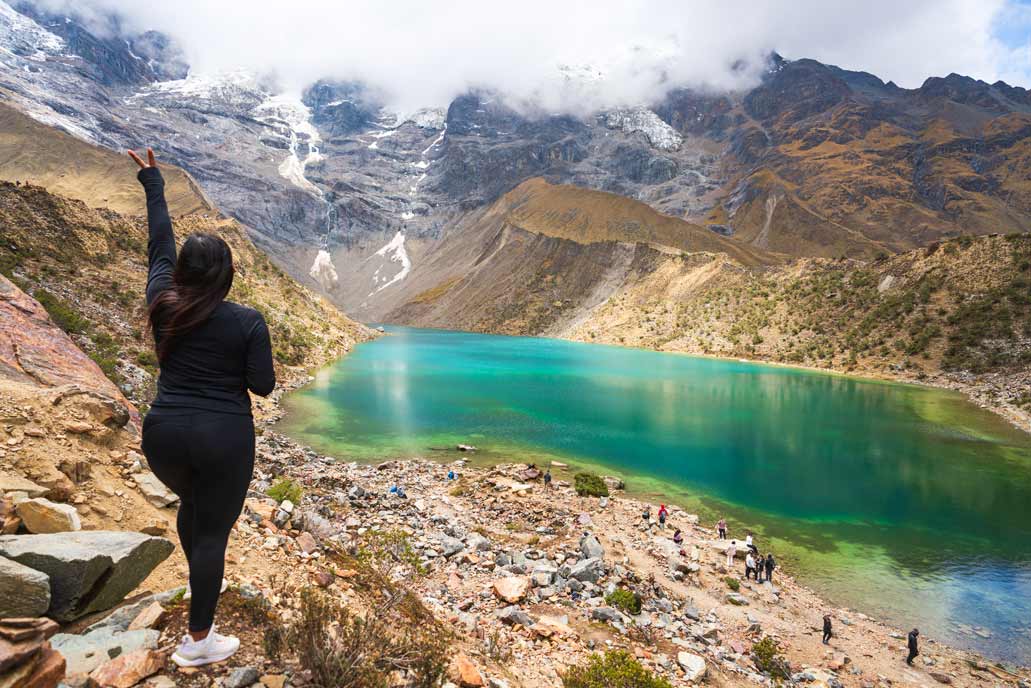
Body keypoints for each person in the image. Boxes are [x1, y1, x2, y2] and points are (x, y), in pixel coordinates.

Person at [130, 148, 274, 668]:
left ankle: (201, 584)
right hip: (223, 438)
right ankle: (198, 642)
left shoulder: (162, 301)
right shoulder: (247, 321)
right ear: (227, 274)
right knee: (212, 531)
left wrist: (153, 184)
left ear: (182, 272)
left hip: (163, 435)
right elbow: (263, 386)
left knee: (193, 506)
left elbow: (159, 248)